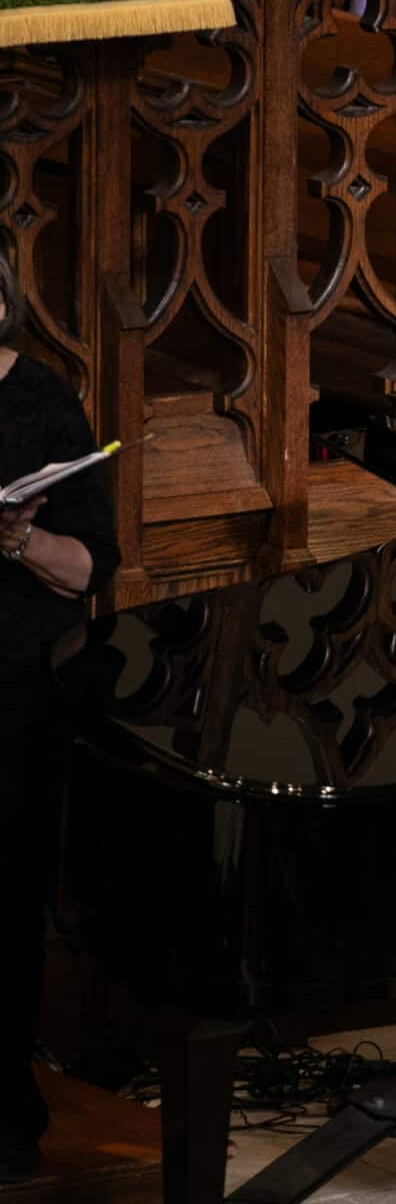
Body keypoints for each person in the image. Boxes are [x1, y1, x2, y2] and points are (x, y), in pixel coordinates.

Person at [0, 255, 122, 1183]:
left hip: (17, 696)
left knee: (7, 909)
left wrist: (19, 538)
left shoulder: (45, 407)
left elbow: (90, 572)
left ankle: (8, 1117)